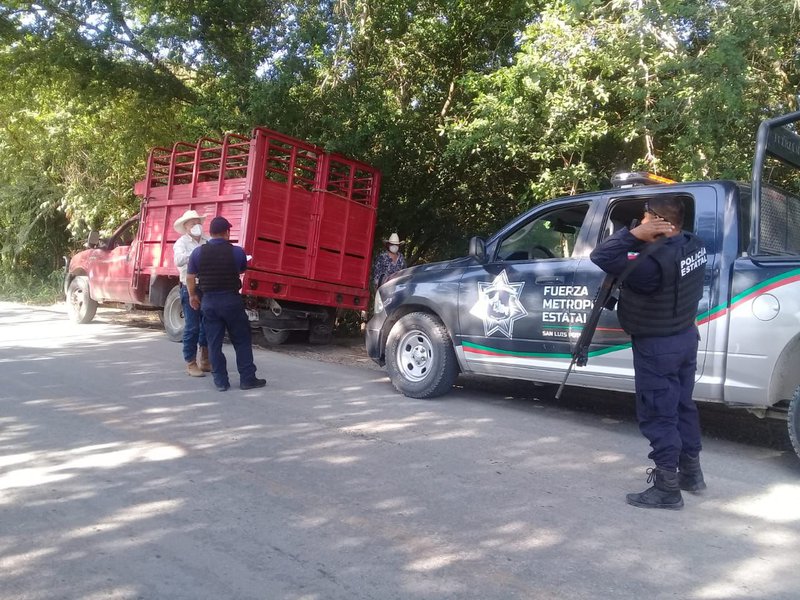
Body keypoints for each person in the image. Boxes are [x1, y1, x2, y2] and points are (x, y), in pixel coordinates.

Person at [590, 197, 708, 510]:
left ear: (656, 219)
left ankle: (667, 488)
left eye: (645, 216)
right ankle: (692, 475)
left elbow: (601, 255)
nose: (641, 221)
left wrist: (634, 236)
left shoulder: (648, 263)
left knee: (659, 413)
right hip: (685, 337)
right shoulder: (694, 245)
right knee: (683, 406)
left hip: (658, 346)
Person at [186, 216, 266, 392]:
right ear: (227, 233)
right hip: (231, 302)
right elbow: (242, 269)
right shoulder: (237, 252)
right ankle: (247, 379)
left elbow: (190, 277)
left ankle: (221, 381)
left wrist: (192, 296)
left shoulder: (198, 253)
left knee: (214, 343)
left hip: (209, 302)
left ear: (211, 233)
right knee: (242, 340)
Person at [172, 209, 210, 377]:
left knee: (207, 324)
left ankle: (205, 359)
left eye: (198, 222)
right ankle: (191, 362)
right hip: (190, 287)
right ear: (186, 226)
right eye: (193, 223)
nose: (196, 225)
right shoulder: (181, 243)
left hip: (207, 286)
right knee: (192, 326)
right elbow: (179, 260)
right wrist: (196, 254)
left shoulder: (207, 240)